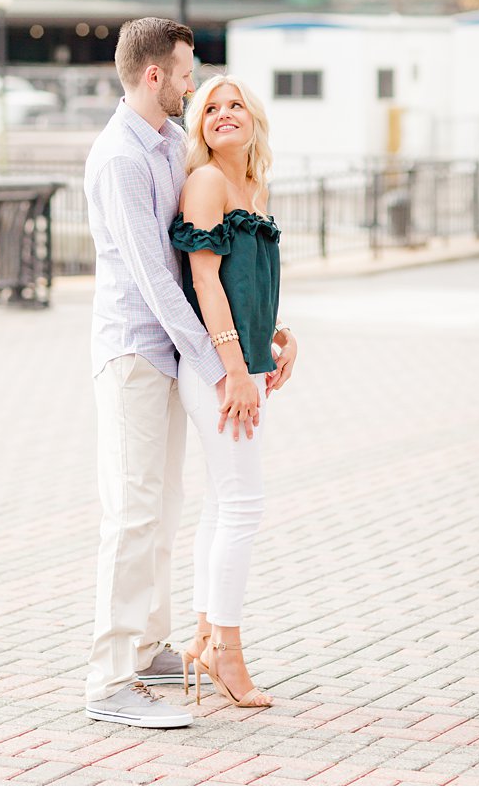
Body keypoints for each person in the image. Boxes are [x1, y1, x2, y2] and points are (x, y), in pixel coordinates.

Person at [84, 17, 232, 729]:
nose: (191, 83)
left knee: (164, 507)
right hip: (134, 354)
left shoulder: (173, 142)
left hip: (171, 355)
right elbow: (151, 277)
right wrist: (214, 363)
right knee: (132, 514)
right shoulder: (120, 158)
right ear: (153, 76)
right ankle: (107, 677)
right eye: (184, 72)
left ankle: (147, 649)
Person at [171, 74, 296, 710]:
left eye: (234, 104)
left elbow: (248, 282)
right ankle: (227, 651)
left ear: (253, 118)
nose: (222, 114)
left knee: (223, 503)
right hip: (217, 370)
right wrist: (235, 372)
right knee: (244, 505)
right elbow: (205, 281)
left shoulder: (254, 187)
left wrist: (276, 335)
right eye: (210, 108)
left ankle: (200, 639)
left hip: (244, 360)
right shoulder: (206, 183)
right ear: (200, 127)